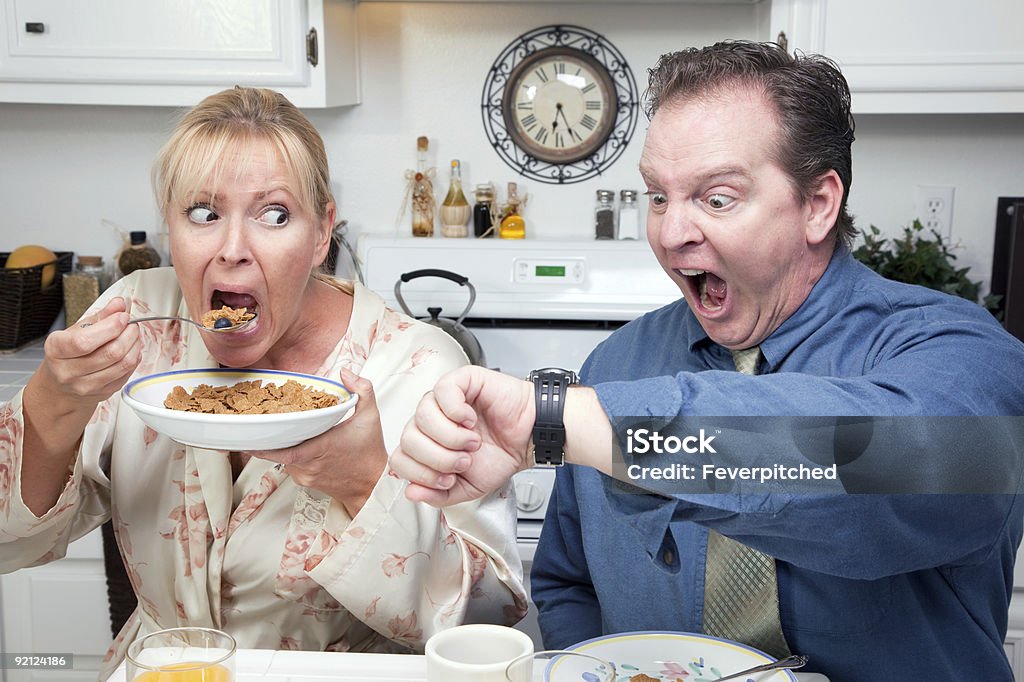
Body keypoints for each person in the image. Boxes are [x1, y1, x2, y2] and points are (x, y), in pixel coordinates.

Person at [390, 41, 1024, 680]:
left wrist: (575, 423)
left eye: (716, 198)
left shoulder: (956, 351)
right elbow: (568, 582)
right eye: (658, 197)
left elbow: (911, 458)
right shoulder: (617, 365)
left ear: (818, 205)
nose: (670, 234)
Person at [0, 87, 526, 675]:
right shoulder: (139, 322)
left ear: (323, 231)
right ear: (170, 227)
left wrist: (363, 485)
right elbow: (6, 543)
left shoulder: (421, 368)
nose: (232, 251)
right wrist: (55, 399)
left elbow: (490, 619)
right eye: (203, 213)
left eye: (275, 215)